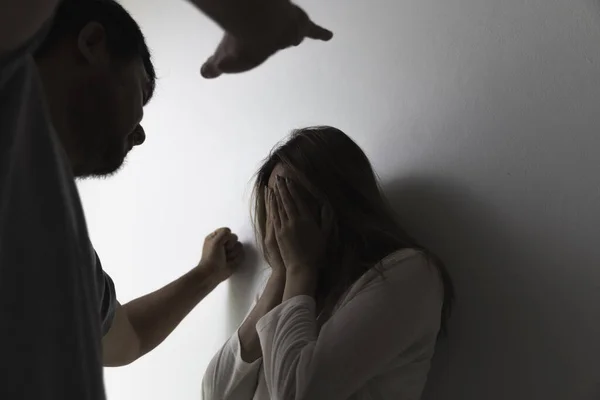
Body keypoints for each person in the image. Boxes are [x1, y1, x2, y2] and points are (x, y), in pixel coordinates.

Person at [0, 0, 332, 399]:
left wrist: (207, 273)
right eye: (141, 93)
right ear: (92, 43)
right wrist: (253, 17)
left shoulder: (69, 248)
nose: (139, 135)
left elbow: (129, 339)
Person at [202, 126, 455, 400]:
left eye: (290, 202)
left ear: (336, 200)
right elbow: (215, 393)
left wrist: (300, 269)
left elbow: (295, 394)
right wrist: (280, 274)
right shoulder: (292, 288)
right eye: (273, 205)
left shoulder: (409, 274)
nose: (281, 222)